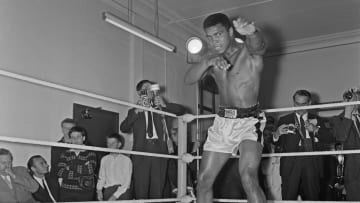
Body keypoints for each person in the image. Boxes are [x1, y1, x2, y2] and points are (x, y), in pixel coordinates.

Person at [184, 13, 267, 203]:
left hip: (249, 122)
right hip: (222, 123)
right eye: (210, 37)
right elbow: (188, 79)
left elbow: (259, 47)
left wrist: (252, 32)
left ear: (230, 31)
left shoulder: (248, 52)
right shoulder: (211, 57)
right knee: (204, 181)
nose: (215, 41)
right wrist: (207, 62)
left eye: (219, 34)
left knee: (248, 177)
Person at [120, 79, 186, 199]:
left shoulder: (161, 108)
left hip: (160, 153)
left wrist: (165, 104)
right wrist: (136, 111)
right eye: (147, 88)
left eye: (152, 89)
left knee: (157, 190)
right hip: (141, 154)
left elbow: (181, 110)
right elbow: (123, 128)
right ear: (140, 92)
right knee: (141, 190)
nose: (150, 91)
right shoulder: (133, 111)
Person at [274, 89, 334, 200]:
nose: (300, 107)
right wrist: (277, 134)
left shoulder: (318, 120)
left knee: (313, 197)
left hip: (312, 162)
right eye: (297, 104)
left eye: (304, 104)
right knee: (288, 197)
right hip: (291, 162)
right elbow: (275, 142)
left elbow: (330, 138)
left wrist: (316, 129)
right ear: (293, 103)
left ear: (309, 103)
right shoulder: (284, 120)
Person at [330, 87, 360, 201]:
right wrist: (348, 111)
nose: (355, 101)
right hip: (354, 172)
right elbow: (341, 137)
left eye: (357, 98)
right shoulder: (337, 120)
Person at [57, 126, 97, 202]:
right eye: (72, 137)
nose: (75, 140)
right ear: (70, 139)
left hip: (85, 192)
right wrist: (82, 168)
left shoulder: (91, 153)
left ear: (83, 138)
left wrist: (70, 167)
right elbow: (60, 172)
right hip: (66, 191)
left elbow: (90, 170)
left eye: (78, 137)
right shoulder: (65, 154)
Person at [96, 133, 132, 201]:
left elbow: (127, 183)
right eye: (108, 143)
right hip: (108, 191)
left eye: (113, 143)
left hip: (123, 192)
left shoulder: (126, 160)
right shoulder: (104, 159)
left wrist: (115, 196)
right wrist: (99, 191)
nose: (110, 146)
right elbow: (102, 177)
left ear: (119, 144)